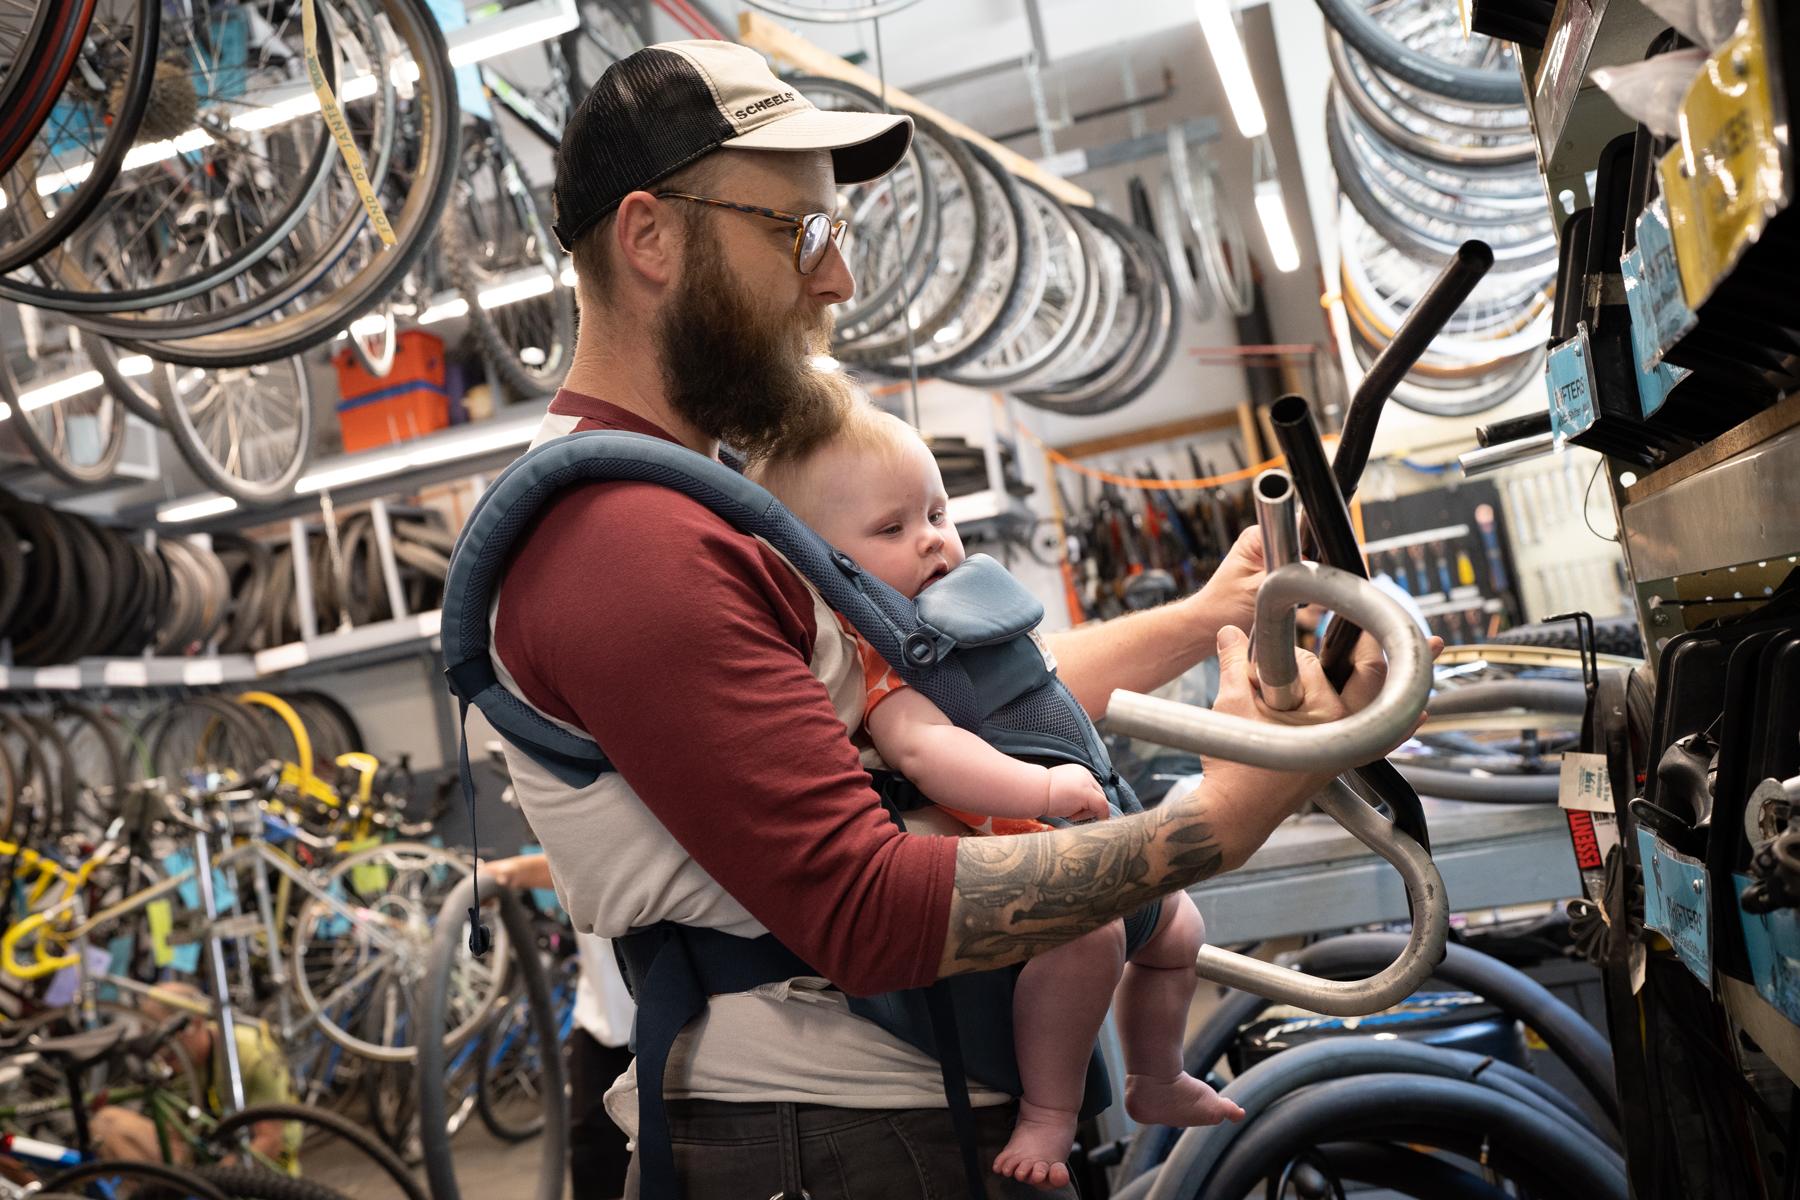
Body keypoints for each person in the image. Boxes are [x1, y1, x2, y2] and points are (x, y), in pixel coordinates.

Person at [490, 38, 1432, 1198]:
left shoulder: (703, 502)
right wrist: (1221, 818)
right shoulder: (620, 543)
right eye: (804, 233)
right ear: (651, 237)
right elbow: (863, 911)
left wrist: (1212, 617)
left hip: (878, 1126)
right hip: (834, 1147)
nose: (836, 282)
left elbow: (957, 699)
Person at [749, 398, 1244, 1186]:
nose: (933, 538)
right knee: (1090, 941)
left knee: (1180, 931)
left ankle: (1156, 1074)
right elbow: (925, 748)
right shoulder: (879, 656)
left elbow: (1044, 685)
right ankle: (1049, 1114)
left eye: (938, 513)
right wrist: (1039, 785)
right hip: (1030, 857)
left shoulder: (973, 618)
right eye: (891, 529)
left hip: (1090, 823)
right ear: (822, 564)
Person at [486, 853, 637, 1198]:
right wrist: (513, 872)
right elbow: (576, 856)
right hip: (603, 1024)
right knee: (596, 1164)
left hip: (683, 1029)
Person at [91, 982, 302, 1174]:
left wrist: (212, 1181)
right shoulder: (180, 1065)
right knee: (108, 1122)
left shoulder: (250, 1054)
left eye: (169, 1038)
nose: (162, 1051)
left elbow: (271, 1141)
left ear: (197, 1022)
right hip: (206, 1159)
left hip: (266, 1173)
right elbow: (173, 1136)